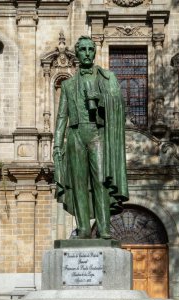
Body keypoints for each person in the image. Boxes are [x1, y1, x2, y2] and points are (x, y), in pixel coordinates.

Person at [53, 36, 128, 239]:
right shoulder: (68, 85)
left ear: (94, 53)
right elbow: (62, 117)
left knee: (101, 182)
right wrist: (57, 145)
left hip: (98, 133)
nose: (87, 53)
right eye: (83, 50)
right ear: (77, 53)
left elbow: (120, 105)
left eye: (90, 50)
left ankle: (104, 228)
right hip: (75, 134)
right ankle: (84, 228)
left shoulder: (106, 78)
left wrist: (102, 100)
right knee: (78, 184)